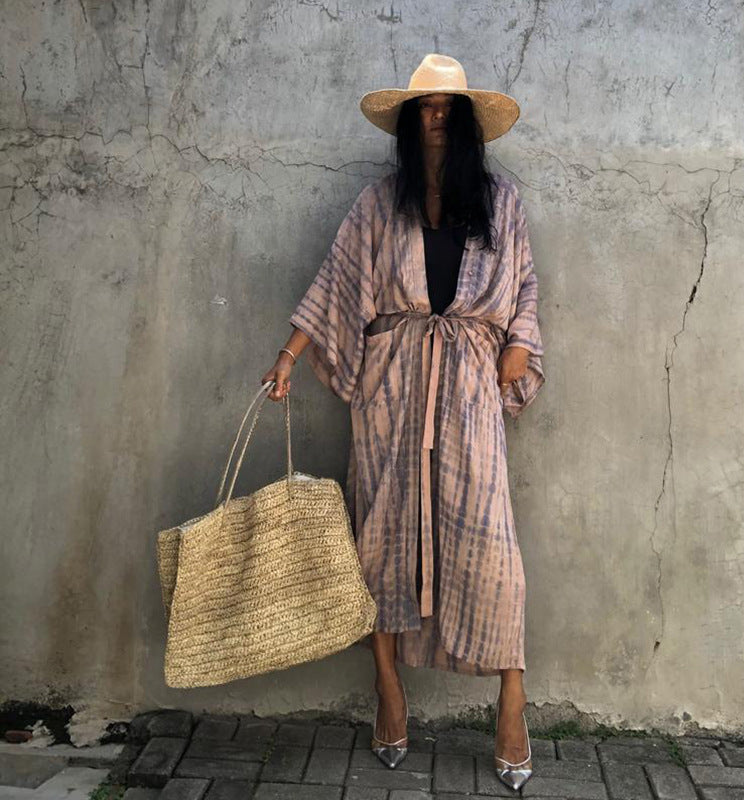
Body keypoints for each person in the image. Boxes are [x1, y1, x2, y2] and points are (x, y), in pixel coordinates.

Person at [260, 54, 545, 791]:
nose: (437, 116)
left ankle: (512, 699)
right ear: (411, 121)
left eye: (448, 105)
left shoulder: (501, 202)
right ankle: (387, 686)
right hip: (390, 387)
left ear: (467, 120)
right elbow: (336, 281)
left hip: (470, 383)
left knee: (489, 544)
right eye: (425, 107)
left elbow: (524, 284)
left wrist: (519, 343)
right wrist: (289, 356)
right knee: (382, 535)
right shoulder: (378, 203)